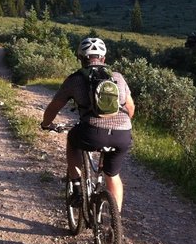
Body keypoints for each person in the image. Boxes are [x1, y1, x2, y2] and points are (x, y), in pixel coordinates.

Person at [41, 37, 135, 212]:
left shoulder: (75, 80)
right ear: (104, 59)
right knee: (112, 175)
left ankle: (77, 186)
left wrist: (46, 124)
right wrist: (120, 125)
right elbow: (130, 107)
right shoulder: (118, 77)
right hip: (122, 134)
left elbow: (54, 106)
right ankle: (115, 221)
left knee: (72, 139)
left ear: (81, 58)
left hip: (92, 133)